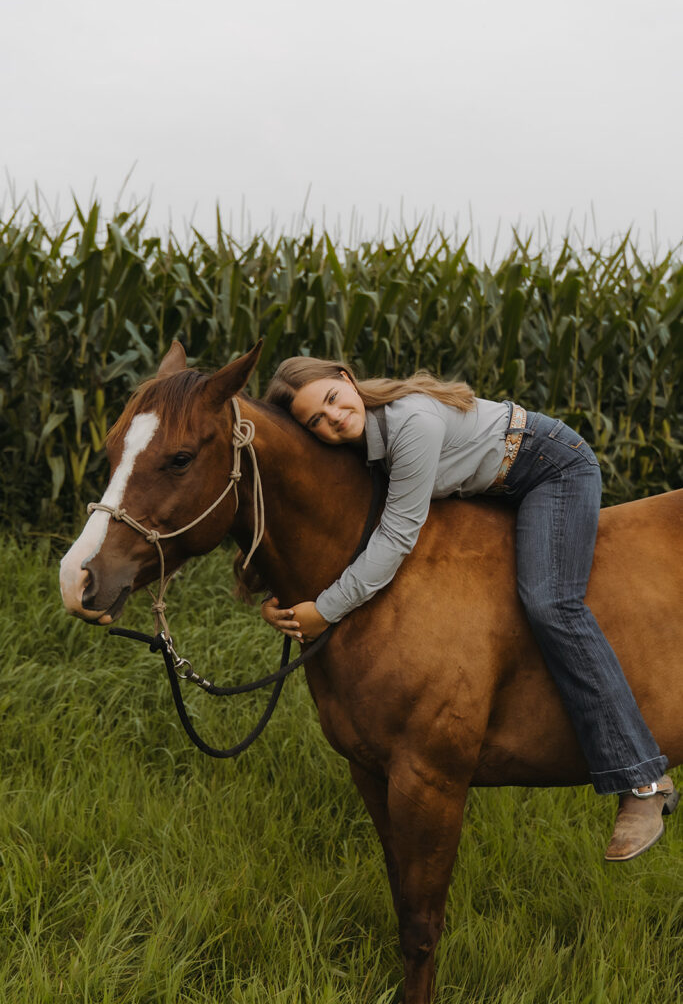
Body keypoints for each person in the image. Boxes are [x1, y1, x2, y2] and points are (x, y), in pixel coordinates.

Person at [259, 357, 677, 861]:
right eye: (316, 421)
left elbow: (397, 535)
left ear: (347, 379)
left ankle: (643, 781)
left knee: (551, 603)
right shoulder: (360, 438)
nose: (333, 418)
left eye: (331, 399)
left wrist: (326, 609)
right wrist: (281, 602)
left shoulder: (411, 423)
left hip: (549, 467)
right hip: (493, 484)